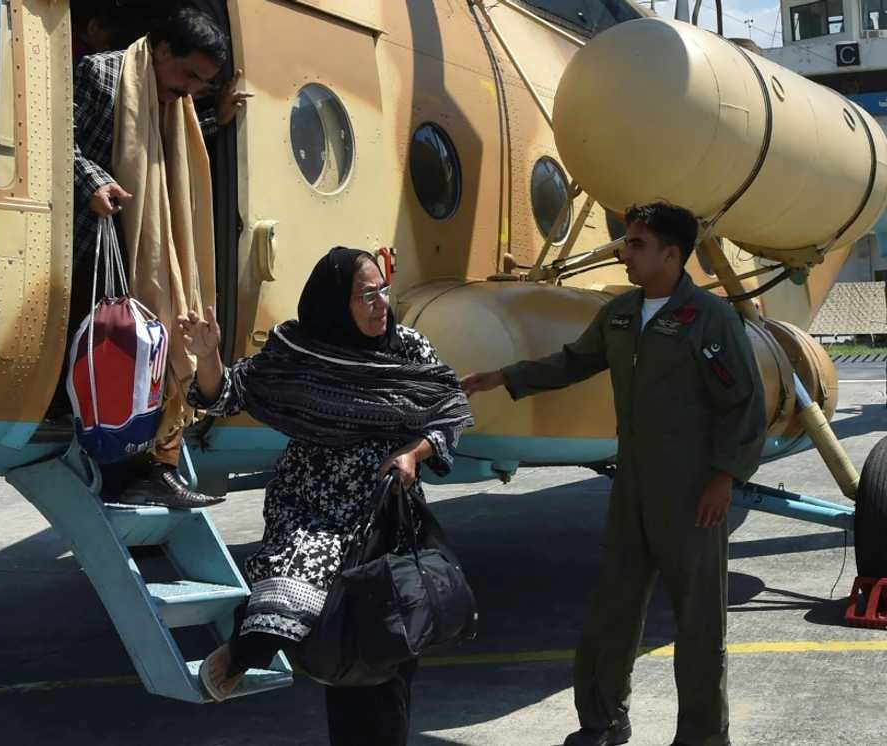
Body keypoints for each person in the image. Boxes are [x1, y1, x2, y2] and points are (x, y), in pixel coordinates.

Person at [462, 203, 767, 746]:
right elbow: (573, 361)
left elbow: (742, 404)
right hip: (631, 488)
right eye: (626, 241)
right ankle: (603, 721)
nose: (624, 251)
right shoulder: (621, 313)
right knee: (612, 611)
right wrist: (503, 376)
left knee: (699, 624)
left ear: (671, 255)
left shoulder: (710, 320)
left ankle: (701, 737)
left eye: (637, 244)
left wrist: (724, 480)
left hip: (693, 493)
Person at [182, 248, 473, 745]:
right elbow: (227, 394)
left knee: (389, 645)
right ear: (336, 304)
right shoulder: (301, 352)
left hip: (384, 514)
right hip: (312, 510)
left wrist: (412, 453)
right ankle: (243, 654)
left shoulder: (408, 348)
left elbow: (450, 409)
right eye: (366, 295)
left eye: (383, 289)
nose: (381, 303)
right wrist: (207, 356)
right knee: (326, 636)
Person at [70, 7, 245, 508]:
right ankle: (130, 472)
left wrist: (216, 119)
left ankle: (157, 466)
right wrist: (93, 182)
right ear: (162, 49)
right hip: (98, 249)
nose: (191, 88)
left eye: (203, 82)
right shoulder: (100, 73)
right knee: (121, 358)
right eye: (188, 73)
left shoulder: (179, 102)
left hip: (142, 251)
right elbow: (58, 143)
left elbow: (165, 159)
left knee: (158, 347)